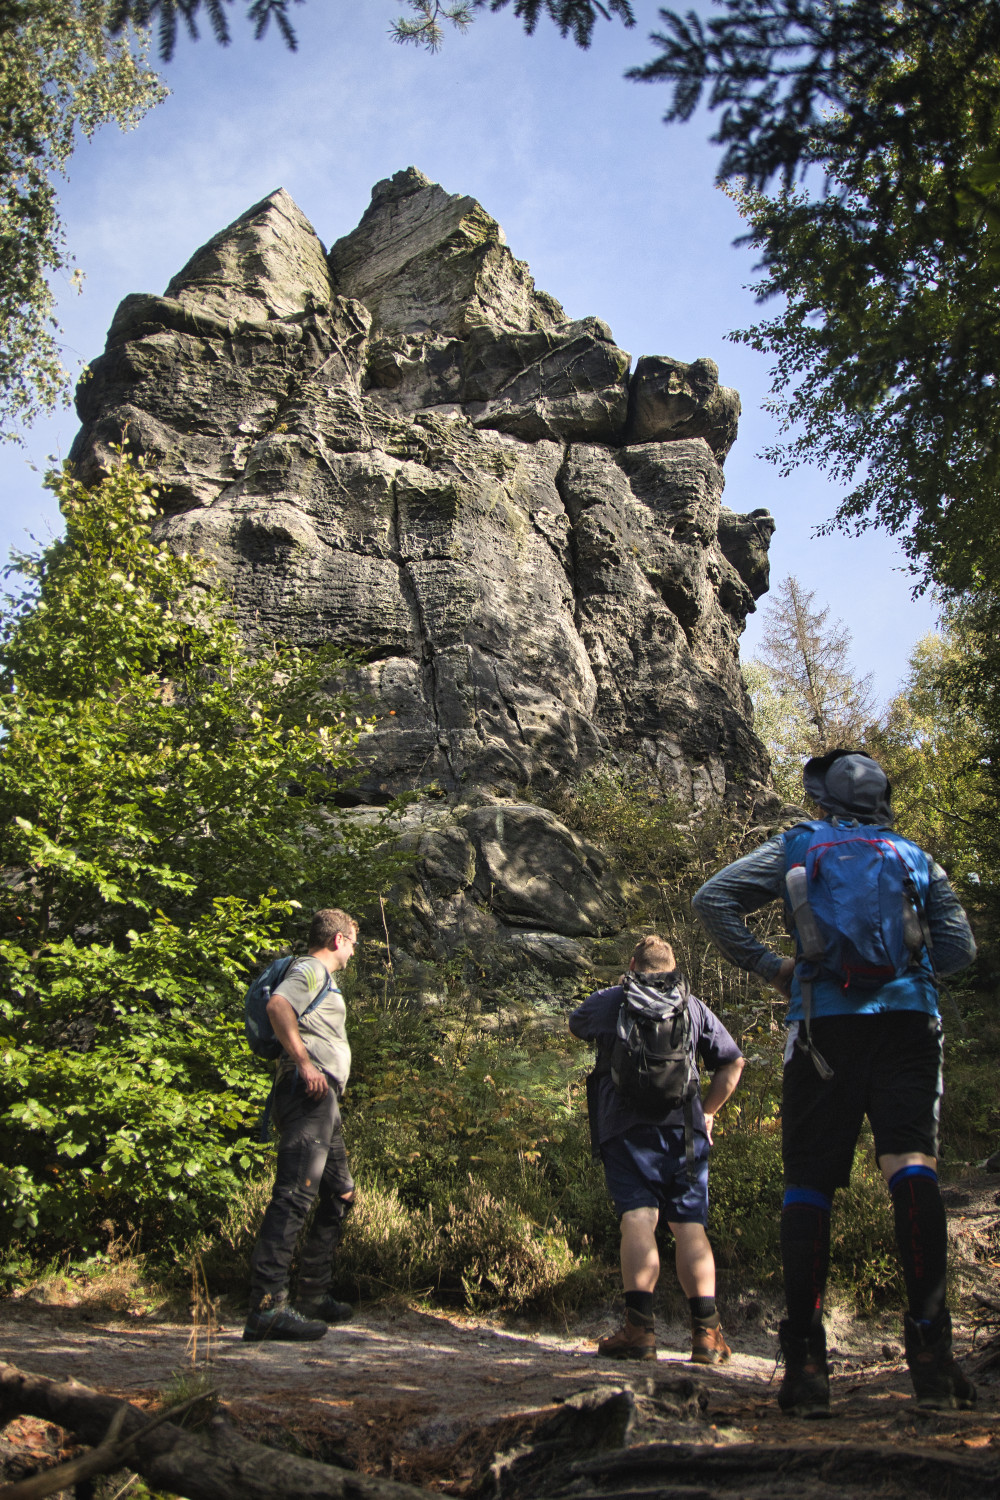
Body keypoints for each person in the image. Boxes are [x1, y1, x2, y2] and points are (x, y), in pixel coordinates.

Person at [692, 749, 978, 1414]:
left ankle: (805, 1367)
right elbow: (959, 950)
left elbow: (714, 899)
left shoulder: (798, 847)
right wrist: (911, 969)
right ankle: (933, 1358)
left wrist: (773, 967)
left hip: (822, 1026)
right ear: (882, 799)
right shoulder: (913, 856)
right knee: (912, 1167)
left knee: (808, 1182)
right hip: (909, 1025)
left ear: (824, 798)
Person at [569, 934, 745, 1364]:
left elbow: (577, 1024)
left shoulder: (611, 1001)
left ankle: (639, 1332)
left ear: (633, 964)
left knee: (638, 1220)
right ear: (672, 967)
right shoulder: (694, 1006)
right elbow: (733, 1061)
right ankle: (706, 1335)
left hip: (624, 1131)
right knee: (689, 1226)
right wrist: (707, 1112)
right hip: (683, 1132)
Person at [243, 907, 359, 1343]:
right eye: (352, 941)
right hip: (307, 1092)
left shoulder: (318, 976)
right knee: (294, 1194)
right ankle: (267, 1307)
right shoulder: (311, 969)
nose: (353, 949)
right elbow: (278, 1005)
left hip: (322, 1101)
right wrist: (305, 1064)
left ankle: (312, 1294)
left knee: (340, 1191)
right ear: (336, 940)